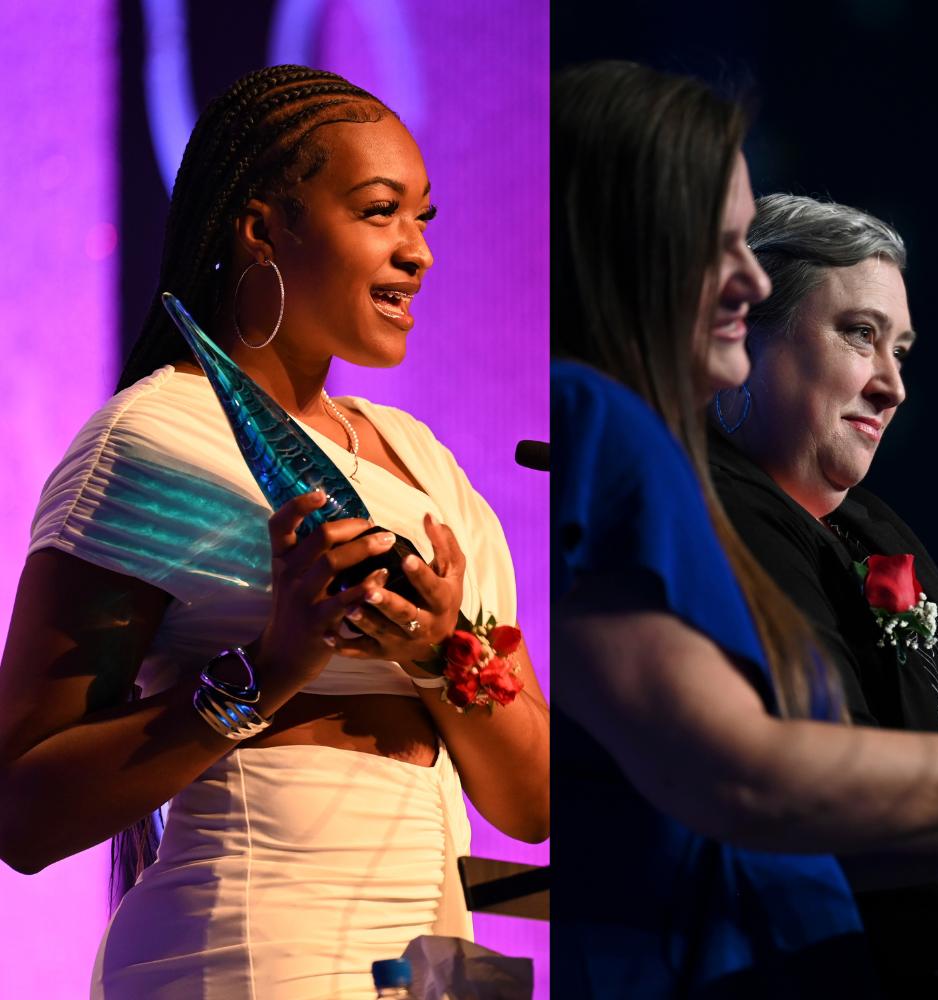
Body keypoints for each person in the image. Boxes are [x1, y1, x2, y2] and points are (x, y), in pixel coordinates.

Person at [548, 60, 938, 998]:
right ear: (626, 240)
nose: (750, 279)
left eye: (901, 347)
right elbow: (745, 780)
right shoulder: (601, 422)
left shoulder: (858, 520)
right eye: (720, 243)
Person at [0, 66, 549, 998]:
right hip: (252, 951)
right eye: (379, 212)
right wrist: (270, 667)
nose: (418, 252)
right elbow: (23, 814)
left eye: (424, 218)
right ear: (262, 229)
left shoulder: (428, 464)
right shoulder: (152, 439)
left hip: (425, 959)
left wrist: (439, 653)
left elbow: (531, 805)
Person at [705, 193, 938, 998]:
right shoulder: (716, 520)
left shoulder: (869, 524)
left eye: (900, 350)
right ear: (744, 336)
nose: (893, 386)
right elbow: (833, 811)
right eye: (860, 334)